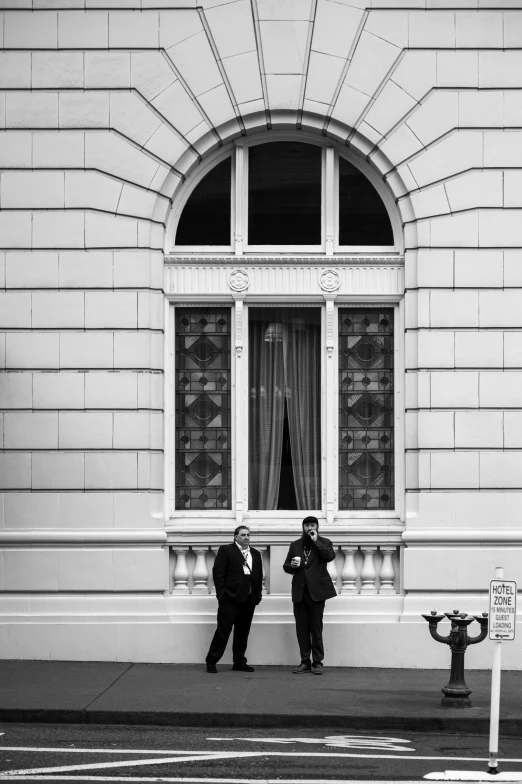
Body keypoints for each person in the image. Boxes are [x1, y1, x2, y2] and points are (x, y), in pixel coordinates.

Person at [205, 525, 263, 674]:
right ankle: (211, 660)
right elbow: (218, 574)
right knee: (223, 632)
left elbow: (258, 576)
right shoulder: (226, 550)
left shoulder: (255, 554)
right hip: (230, 599)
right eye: (243, 535)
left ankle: (239, 661)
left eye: (248, 535)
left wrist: (258, 594)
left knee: (242, 633)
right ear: (235, 537)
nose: (246, 537)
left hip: (249, 600)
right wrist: (221, 596)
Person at [283, 516, 336, 675]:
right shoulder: (295, 545)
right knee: (302, 628)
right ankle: (305, 661)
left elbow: (329, 556)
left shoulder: (324, 542)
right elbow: (286, 566)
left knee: (316, 627)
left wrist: (316, 541)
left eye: (312, 525)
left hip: (317, 592)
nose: (309, 528)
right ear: (303, 527)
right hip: (300, 592)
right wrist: (291, 566)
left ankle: (317, 662)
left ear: (317, 527)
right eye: (307, 525)